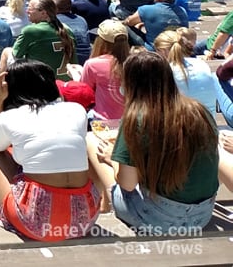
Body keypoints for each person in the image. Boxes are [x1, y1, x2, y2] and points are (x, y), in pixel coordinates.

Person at [0, 60, 100, 243]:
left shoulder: (10, 117)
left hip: (38, 223)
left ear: (12, 90)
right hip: (84, 218)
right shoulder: (76, 110)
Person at [90, 50, 220, 234]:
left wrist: (113, 159)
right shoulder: (199, 110)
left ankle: (102, 207)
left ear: (131, 82)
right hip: (203, 214)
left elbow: (127, 183)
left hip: (158, 219)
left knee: (91, 141)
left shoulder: (136, 118)